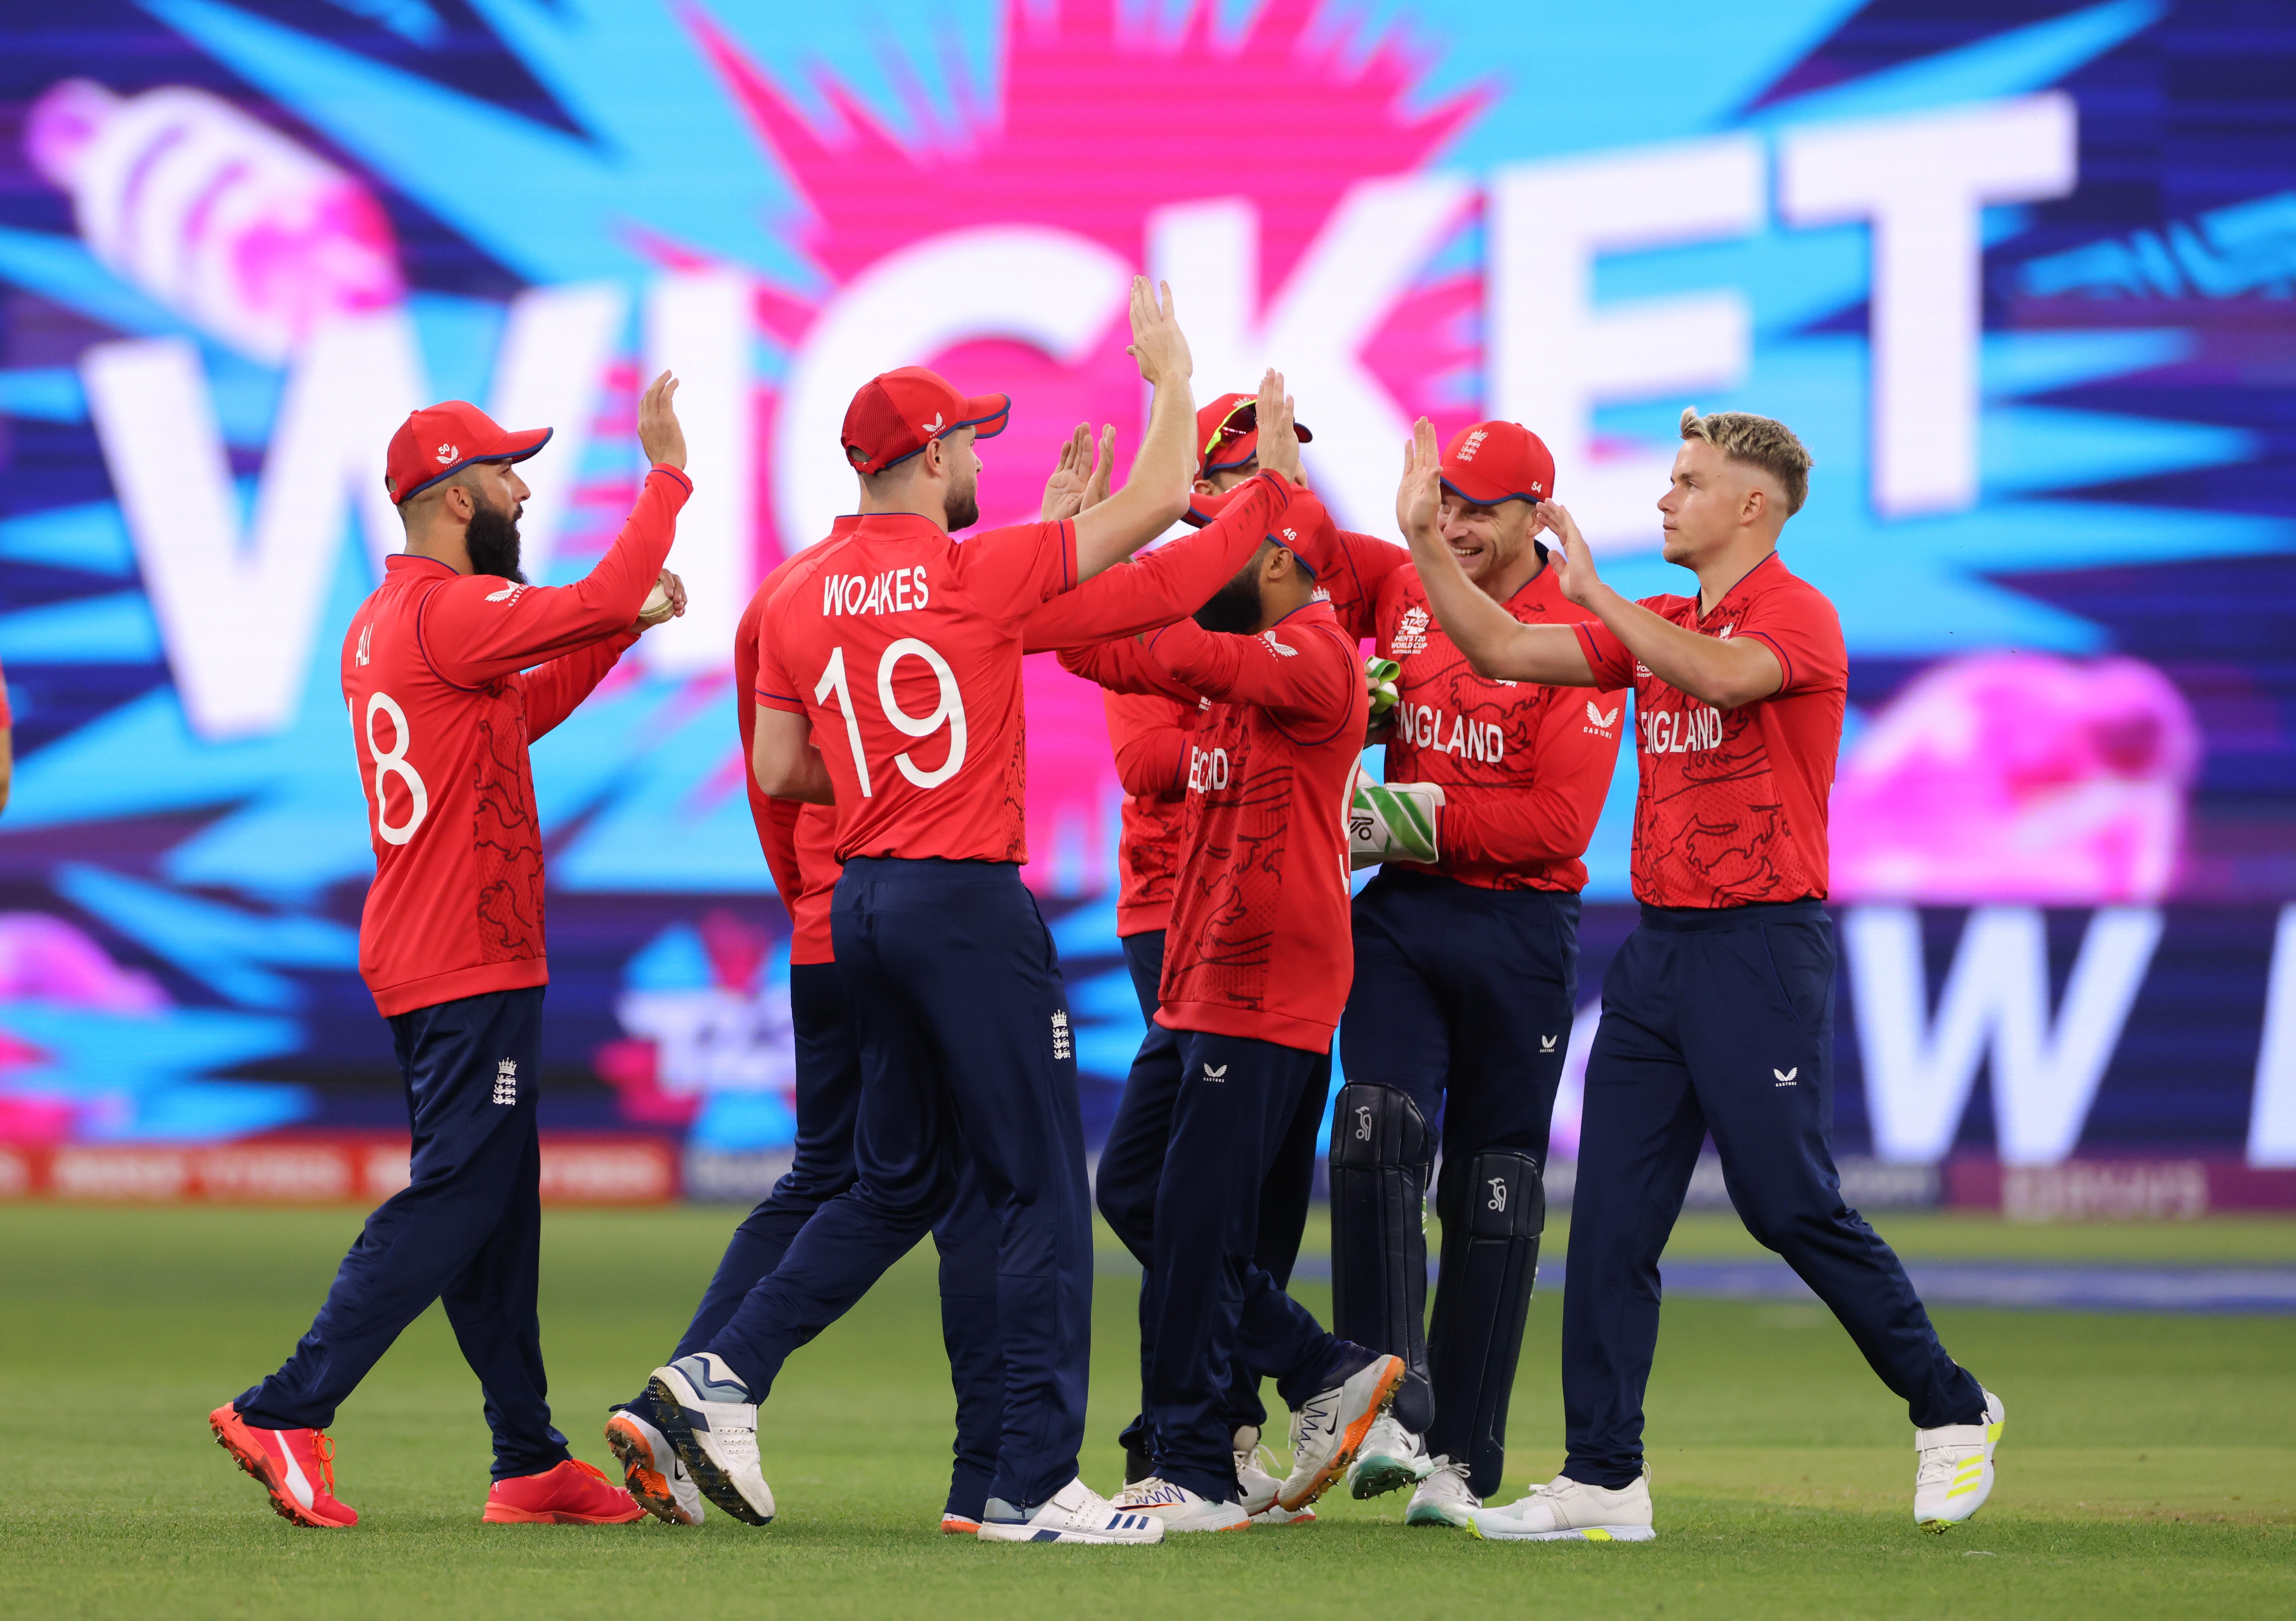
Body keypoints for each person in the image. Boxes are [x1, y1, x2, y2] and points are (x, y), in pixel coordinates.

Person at [604, 381, 1317, 1537]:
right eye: (973, 439)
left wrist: (894, 770)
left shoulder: (795, 595)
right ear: (931, 455)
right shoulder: (972, 573)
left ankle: (716, 1376)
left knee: (894, 1183)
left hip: (865, 904)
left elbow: (783, 769)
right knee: (1040, 1187)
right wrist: (1200, 405)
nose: (983, 455)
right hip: (967, 901)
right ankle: (1032, 1482)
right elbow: (1169, 541)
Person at [1391, 407, 2003, 1542]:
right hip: (1659, 953)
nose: (1666, 499)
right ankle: (1604, 1479)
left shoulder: (1795, 616)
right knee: (1612, 1220)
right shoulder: (1663, 617)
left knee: (1786, 1201)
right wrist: (1427, 544)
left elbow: (1722, 681)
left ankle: (1952, 1404)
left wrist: (1596, 599)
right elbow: (1501, 649)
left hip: (1760, 948)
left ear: (1752, 508)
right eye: (1670, 479)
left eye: (1688, 482)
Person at [210, 375, 694, 1529]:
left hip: (449, 954)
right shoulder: (448, 612)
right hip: (465, 954)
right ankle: (290, 1404)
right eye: (507, 473)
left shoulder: (394, 623)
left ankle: (527, 1459)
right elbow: (598, 592)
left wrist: (621, 625)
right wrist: (665, 476)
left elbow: (520, 714)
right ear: (450, 494)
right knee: (461, 1195)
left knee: (493, 1207)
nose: (522, 489)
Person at [1060, 385, 1406, 1534]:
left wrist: (1105, 574)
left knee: (1204, 1217)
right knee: (1140, 1189)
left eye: (1214, 548)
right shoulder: (1246, 644)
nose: (1190, 564)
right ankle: (1318, 1368)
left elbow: (1151, 645)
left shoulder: (1310, 656)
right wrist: (1054, 571)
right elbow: (1101, 657)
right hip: (1207, 962)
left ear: (1270, 560)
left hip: (1268, 975)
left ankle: (1193, 1465)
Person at [1332, 422, 1627, 1528]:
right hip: (1403, 918)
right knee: (1372, 1127)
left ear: (1535, 516)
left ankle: (1463, 1460)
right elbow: (1303, 550)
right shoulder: (1409, 583)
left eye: (1478, 511)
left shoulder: (1585, 630)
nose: (1453, 526)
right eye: (1442, 504)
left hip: (1522, 932)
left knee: (1492, 1194)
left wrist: (1391, 814)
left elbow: (1555, 821)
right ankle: (1387, 1405)